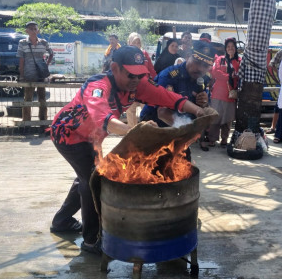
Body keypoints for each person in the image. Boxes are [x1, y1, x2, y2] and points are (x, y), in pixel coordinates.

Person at [49, 46, 206, 254]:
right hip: (68, 135)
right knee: (93, 181)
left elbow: (166, 97)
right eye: (131, 74)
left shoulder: (137, 84)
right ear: (115, 68)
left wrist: (199, 111)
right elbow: (102, 117)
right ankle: (91, 240)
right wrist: (135, 131)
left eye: (140, 74)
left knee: (86, 176)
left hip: (92, 136)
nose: (136, 79)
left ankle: (61, 221)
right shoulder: (97, 86)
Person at [140, 40, 212, 151]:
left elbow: (204, 105)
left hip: (179, 130)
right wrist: (188, 129)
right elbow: (162, 112)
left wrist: (204, 102)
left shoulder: (203, 79)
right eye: (198, 63)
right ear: (188, 56)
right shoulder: (169, 76)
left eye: (206, 66)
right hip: (154, 126)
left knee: (184, 166)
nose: (201, 69)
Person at [17, 21, 54, 122]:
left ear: (38, 31)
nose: (33, 31)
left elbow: (51, 53)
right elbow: (21, 60)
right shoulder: (22, 43)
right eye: (31, 29)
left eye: (35, 29)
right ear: (27, 31)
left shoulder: (43, 42)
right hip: (28, 74)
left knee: (42, 99)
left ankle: (43, 122)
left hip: (41, 75)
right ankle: (26, 122)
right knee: (28, 99)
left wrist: (46, 65)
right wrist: (22, 75)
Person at [208, 37, 240, 148]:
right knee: (215, 117)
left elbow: (238, 74)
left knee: (227, 118)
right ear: (225, 49)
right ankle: (212, 139)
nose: (230, 49)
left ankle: (224, 139)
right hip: (217, 93)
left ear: (235, 48)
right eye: (228, 47)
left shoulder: (239, 61)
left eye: (232, 47)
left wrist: (232, 61)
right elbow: (215, 72)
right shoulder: (220, 59)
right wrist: (229, 76)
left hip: (230, 94)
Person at [125, 32, 156, 128]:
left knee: (146, 112)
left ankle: (146, 134)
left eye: (138, 42)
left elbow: (151, 70)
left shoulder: (144, 54)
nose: (136, 44)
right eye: (134, 42)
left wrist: (156, 82)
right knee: (130, 111)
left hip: (144, 88)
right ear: (129, 42)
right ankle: (131, 135)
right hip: (130, 88)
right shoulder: (124, 54)